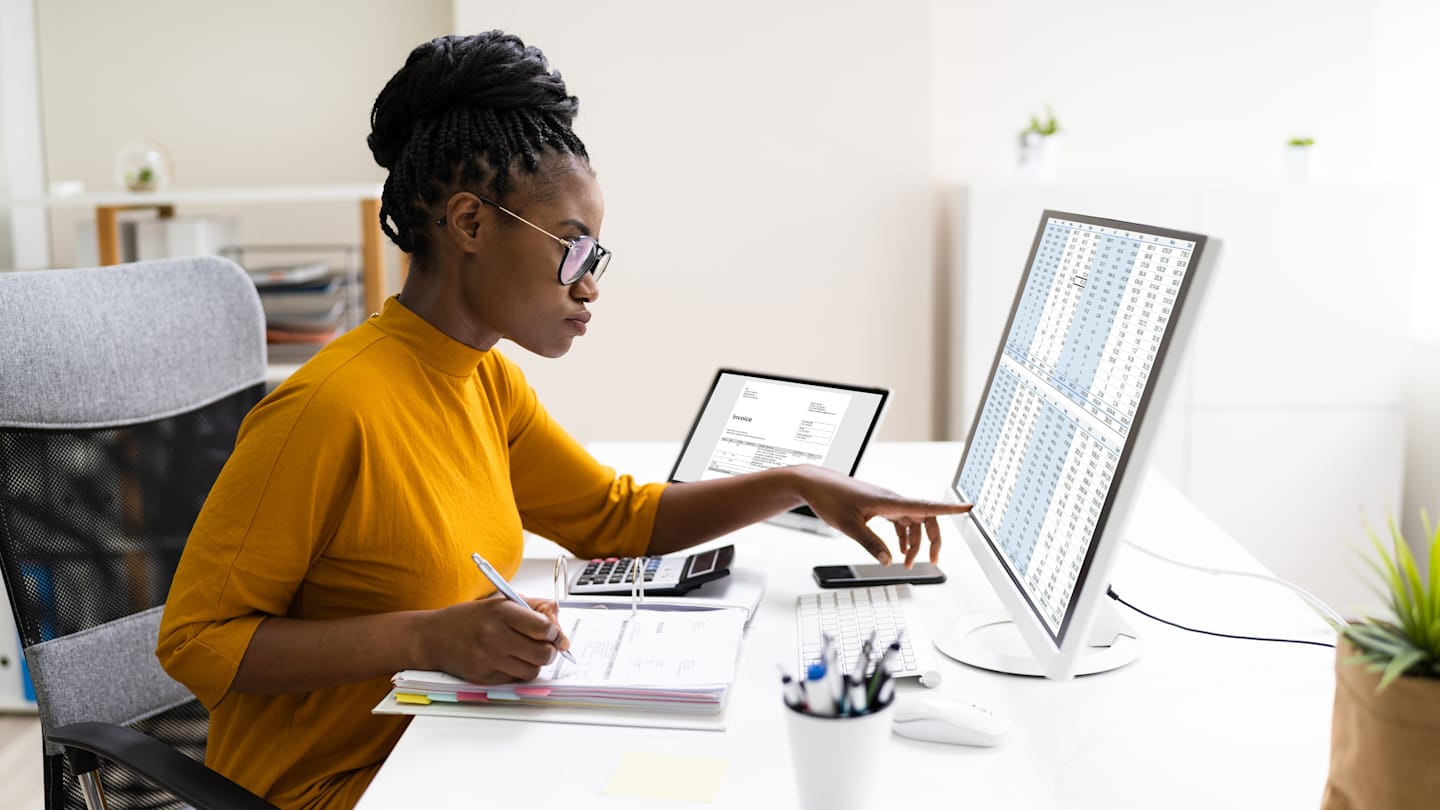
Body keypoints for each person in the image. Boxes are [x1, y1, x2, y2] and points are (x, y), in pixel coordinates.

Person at [156, 30, 971, 810]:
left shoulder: (486, 382)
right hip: (332, 789)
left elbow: (619, 520)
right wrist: (426, 639)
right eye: (573, 248)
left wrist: (800, 483)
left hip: (443, 743)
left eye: (597, 258)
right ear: (470, 224)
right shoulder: (327, 411)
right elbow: (196, 642)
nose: (590, 286)